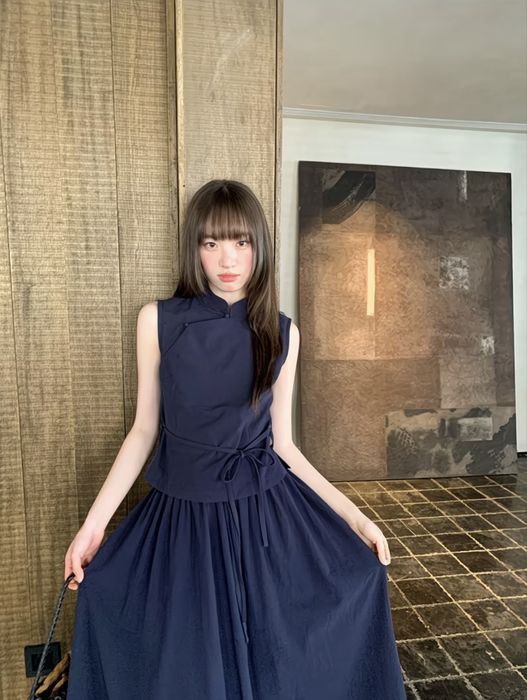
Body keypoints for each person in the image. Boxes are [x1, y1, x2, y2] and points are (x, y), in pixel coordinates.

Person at [64, 179, 406, 699]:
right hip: (183, 520)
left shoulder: (283, 332)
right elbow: (143, 430)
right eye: (212, 243)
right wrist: (93, 528)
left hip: (266, 518)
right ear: (195, 248)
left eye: (241, 242)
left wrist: (355, 517)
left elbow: (284, 446)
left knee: (279, 660)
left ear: (258, 246)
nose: (228, 259)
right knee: (186, 666)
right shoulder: (158, 321)